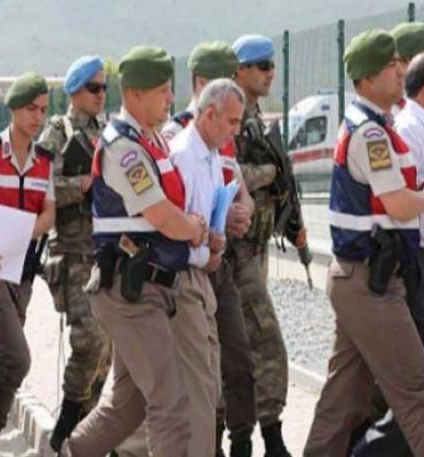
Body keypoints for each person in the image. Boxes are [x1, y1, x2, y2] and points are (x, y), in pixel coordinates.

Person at [302, 29, 424, 457]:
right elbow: (399, 204)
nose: (401, 71)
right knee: (419, 390)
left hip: (363, 278)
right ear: (368, 78)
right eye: (391, 66)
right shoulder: (370, 133)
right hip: (371, 282)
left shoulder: (378, 126)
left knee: (344, 400)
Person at [59, 46, 207, 457]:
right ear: (136, 93)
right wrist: (194, 230)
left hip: (149, 289)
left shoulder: (151, 139)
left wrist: (195, 227)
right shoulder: (123, 147)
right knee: (170, 403)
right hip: (131, 291)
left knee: (129, 404)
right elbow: (160, 214)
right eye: (162, 90)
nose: (170, 99)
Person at [352, 51, 424, 457]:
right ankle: (368, 451)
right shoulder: (410, 129)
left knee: (414, 379)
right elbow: (406, 201)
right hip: (415, 259)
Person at [163, 41, 257, 457]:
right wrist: (206, 234)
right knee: (194, 377)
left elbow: (237, 190)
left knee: (235, 361)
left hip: (217, 264)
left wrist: (238, 213)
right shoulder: (178, 139)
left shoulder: (221, 135)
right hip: (186, 270)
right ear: (202, 84)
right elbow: (173, 216)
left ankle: (239, 443)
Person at [0, 72, 56, 456]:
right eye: (31, 109)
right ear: (14, 110)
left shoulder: (45, 161)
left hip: (24, 270)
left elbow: (49, 212)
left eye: (43, 110)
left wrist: (23, 234)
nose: (38, 117)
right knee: (18, 359)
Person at [231, 34, 305, 456]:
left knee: (243, 346)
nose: (269, 72)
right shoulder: (230, 113)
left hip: (257, 246)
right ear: (238, 70)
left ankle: (244, 440)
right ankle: (271, 438)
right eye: (261, 65)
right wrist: (269, 173)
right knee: (266, 344)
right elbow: (226, 169)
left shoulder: (256, 117)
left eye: (271, 64)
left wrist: (293, 224)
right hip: (236, 249)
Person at [39, 55, 113, 452]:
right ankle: (65, 425)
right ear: (74, 91)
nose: (101, 95)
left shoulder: (108, 133)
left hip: (105, 253)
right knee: (89, 341)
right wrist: (81, 184)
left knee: (107, 352)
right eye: (93, 88)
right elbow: (41, 184)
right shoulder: (58, 132)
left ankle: (85, 432)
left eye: (104, 87)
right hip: (73, 253)